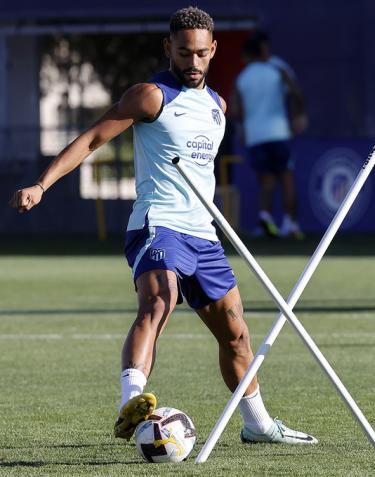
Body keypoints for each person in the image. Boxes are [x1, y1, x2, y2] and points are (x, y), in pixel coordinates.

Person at [8, 6, 317, 446]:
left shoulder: (218, 106)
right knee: (159, 301)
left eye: (201, 54)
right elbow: (93, 138)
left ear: (213, 51)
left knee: (236, 332)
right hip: (159, 225)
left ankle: (258, 425)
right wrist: (42, 184)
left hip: (203, 235)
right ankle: (130, 404)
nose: (192, 63)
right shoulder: (151, 95)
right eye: (184, 53)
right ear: (168, 47)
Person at [232, 33, 306, 239]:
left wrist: (245, 127)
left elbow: (236, 110)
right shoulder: (278, 70)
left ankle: (265, 220)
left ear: (247, 55)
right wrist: (299, 114)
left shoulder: (242, 77)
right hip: (279, 133)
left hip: (256, 137)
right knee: (287, 179)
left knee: (266, 182)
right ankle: (291, 225)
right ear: (262, 51)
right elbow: (296, 93)